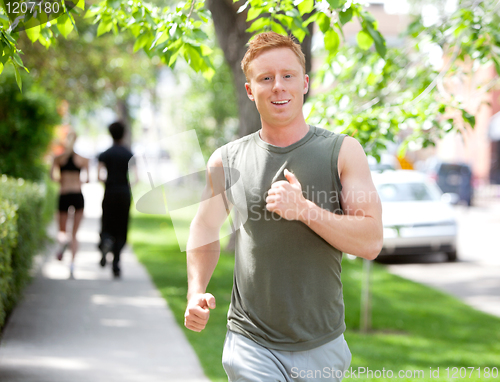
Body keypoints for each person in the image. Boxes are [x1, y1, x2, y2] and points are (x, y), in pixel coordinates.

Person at [184, 32, 384, 381]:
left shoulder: (343, 152)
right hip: (251, 342)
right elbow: (203, 227)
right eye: (265, 78)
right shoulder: (227, 160)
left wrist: (304, 209)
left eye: (287, 75)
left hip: (322, 343)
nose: (278, 86)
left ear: (304, 82)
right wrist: (195, 291)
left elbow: (370, 240)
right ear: (250, 90)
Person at [50, 131, 89, 278]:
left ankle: (63, 243)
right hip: (78, 195)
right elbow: (88, 180)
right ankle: (72, 264)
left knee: (62, 231)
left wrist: (62, 181)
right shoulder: (83, 159)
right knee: (75, 233)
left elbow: (52, 176)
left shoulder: (58, 159)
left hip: (64, 194)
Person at [97, 121, 134, 278]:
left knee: (107, 224)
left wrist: (108, 183)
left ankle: (106, 241)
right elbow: (136, 177)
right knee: (121, 227)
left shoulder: (105, 154)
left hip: (110, 192)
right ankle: (116, 264)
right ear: (123, 134)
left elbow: (99, 176)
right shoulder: (128, 154)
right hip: (124, 193)